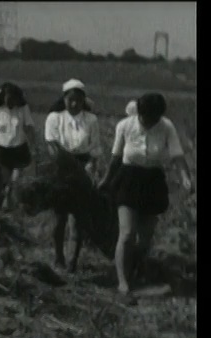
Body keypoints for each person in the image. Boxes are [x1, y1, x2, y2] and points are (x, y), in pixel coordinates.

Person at [98, 92, 194, 296]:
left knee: (145, 238)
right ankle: (123, 282)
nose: (150, 122)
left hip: (153, 182)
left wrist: (186, 177)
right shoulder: (125, 126)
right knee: (127, 234)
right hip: (129, 179)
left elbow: (177, 156)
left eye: (154, 119)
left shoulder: (167, 127)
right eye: (146, 118)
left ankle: (136, 270)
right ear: (139, 113)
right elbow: (115, 158)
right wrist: (106, 181)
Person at [44, 79, 103, 273]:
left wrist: (90, 168)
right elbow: (52, 145)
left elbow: (94, 149)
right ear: (64, 99)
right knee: (59, 219)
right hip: (62, 169)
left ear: (84, 100)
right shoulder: (55, 118)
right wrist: (67, 165)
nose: (74, 104)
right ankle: (58, 256)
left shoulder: (91, 121)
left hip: (82, 169)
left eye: (78, 100)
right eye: (70, 99)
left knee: (78, 221)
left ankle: (72, 262)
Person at [0, 82, 37, 211]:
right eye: (8, 98)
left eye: (13, 98)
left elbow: (28, 128)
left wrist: (33, 146)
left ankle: (11, 206)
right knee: (2, 181)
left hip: (18, 149)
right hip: (2, 149)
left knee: (14, 181)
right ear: (3, 97)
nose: (10, 101)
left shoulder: (23, 110)